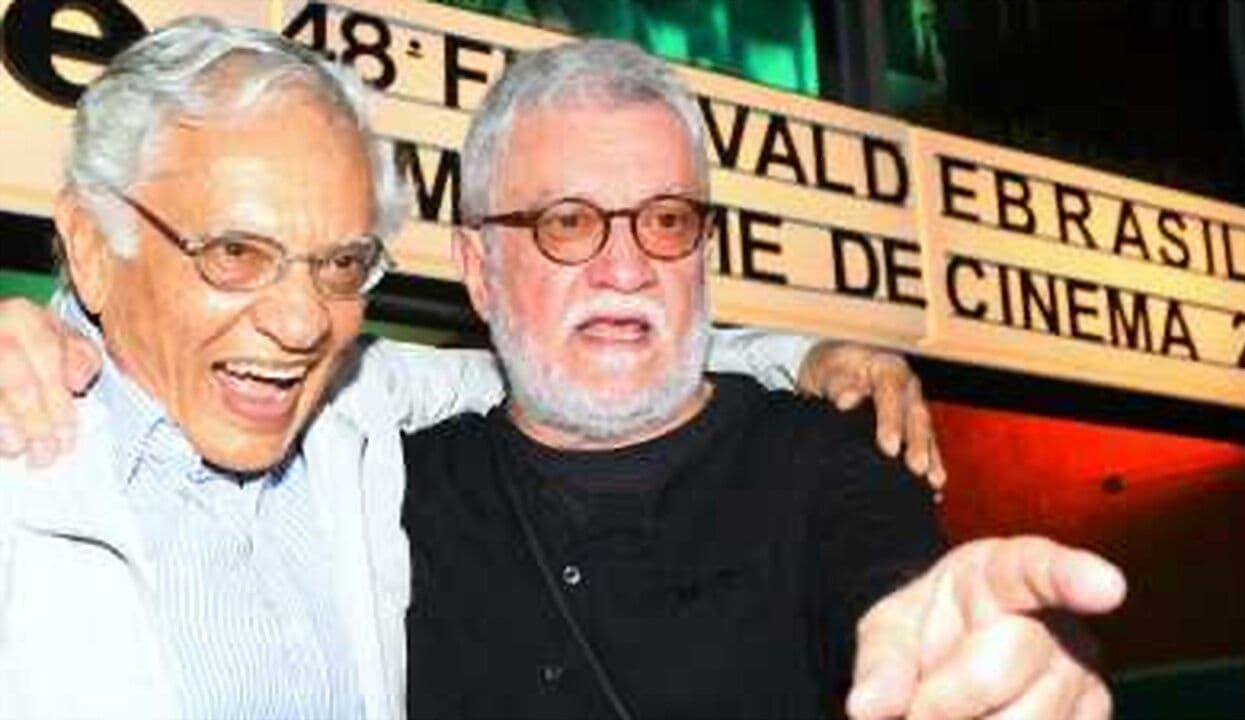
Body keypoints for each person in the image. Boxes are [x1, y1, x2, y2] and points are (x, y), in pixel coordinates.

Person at [0, 17, 946, 720]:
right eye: (235, 254)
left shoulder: (357, 414)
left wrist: (806, 354)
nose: (300, 321)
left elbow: (578, 358)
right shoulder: (26, 453)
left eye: (340, 265)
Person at [400, 39, 1126, 719]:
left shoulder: (826, 463)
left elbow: (893, 587)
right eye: (567, 223)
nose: (626, 269)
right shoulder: (387, 494)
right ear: (479, 271)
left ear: (705, 250)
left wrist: (957, 662)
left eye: (667, 219)